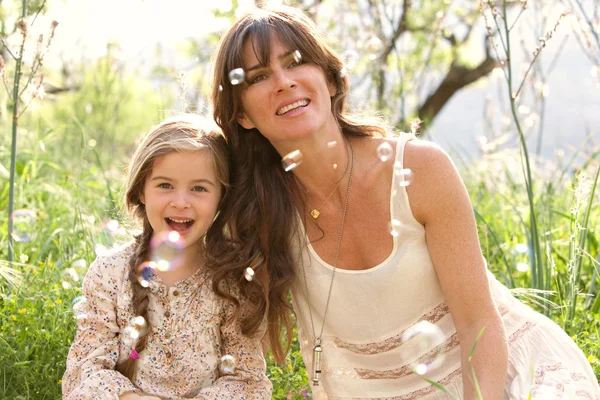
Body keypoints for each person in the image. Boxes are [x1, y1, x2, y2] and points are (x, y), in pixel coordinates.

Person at [210, 6, 600, 400]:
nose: (283, 82)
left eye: (295, 63)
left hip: (498, 376)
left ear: (329, 79)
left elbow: (477, 323)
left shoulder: (419, 169)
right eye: (259, 77)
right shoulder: (258, 214)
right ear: (242, 115)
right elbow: (247, 350)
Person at [62, 114, 272, 400]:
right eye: (165, 185)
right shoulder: (109, 274)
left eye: (199, 188)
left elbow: (247, 382)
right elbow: (85, 368)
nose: (181, 201)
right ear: (142, 190)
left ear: (222, 198)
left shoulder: (231, 281)